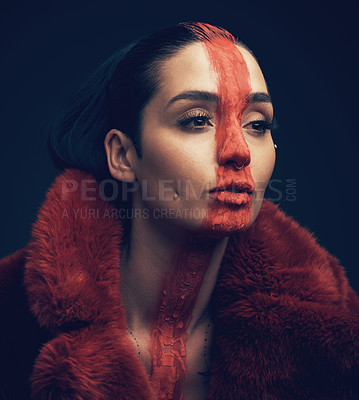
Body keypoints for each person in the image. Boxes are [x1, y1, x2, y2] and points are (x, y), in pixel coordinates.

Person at [0, 21, 358, 400]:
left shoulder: (334, 331)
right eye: (197, 120)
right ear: (122, 156)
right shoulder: (11, 317)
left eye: (257, 124)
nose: (239, 151)